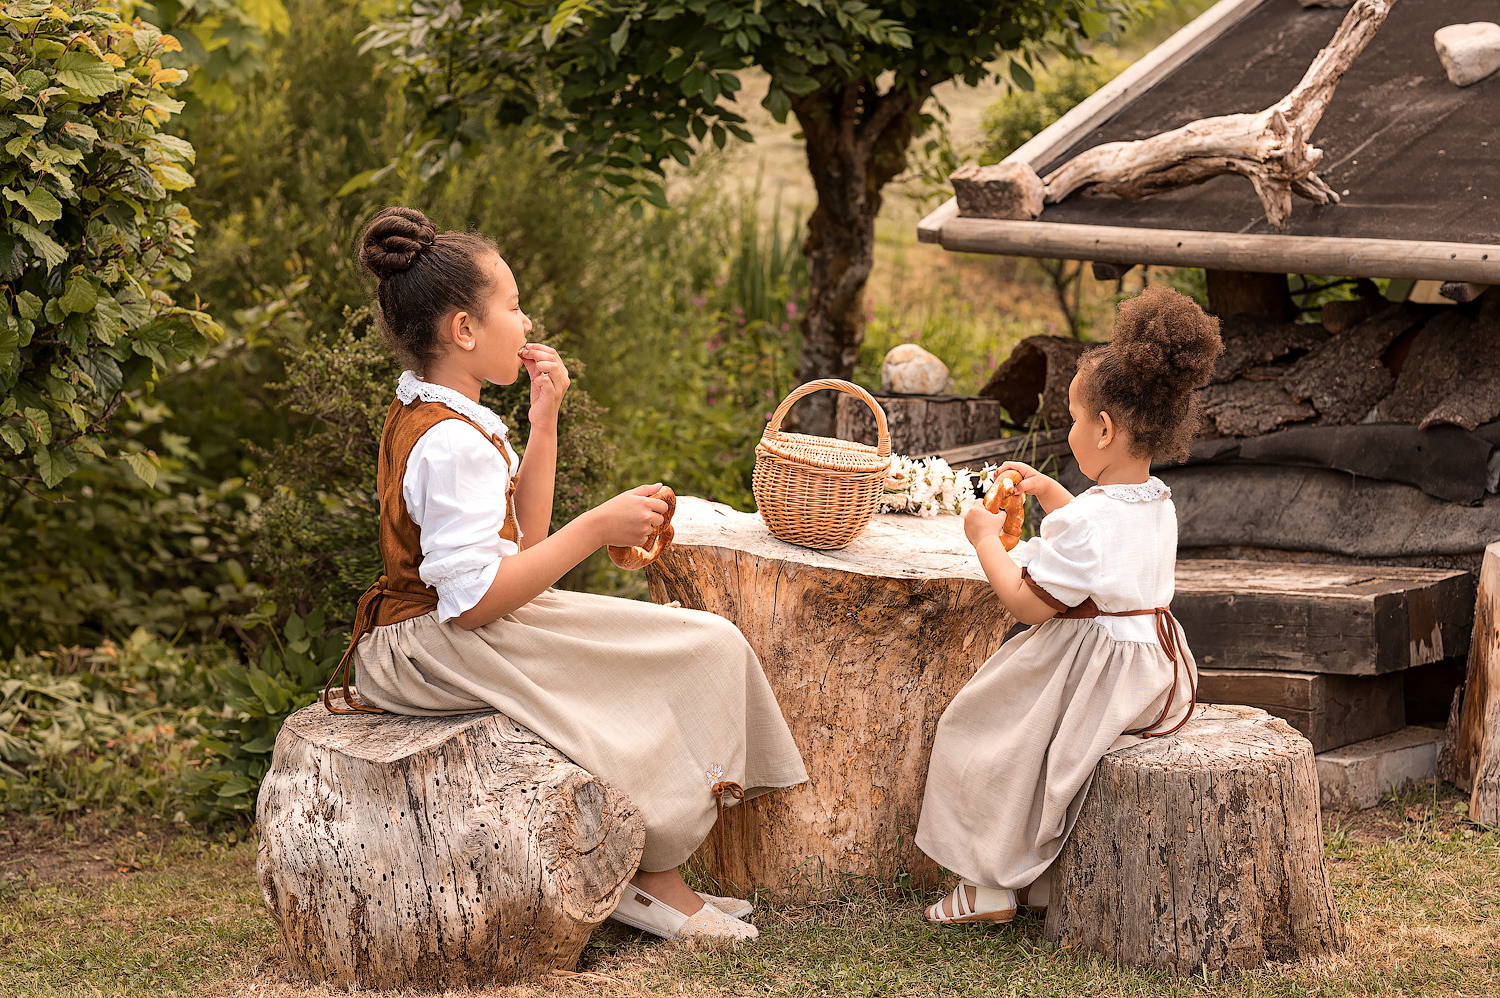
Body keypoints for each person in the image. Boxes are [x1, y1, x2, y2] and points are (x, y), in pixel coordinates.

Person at [331, 206, 808, 942]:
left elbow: (524, 539)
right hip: (431, 643)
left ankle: (654, 869)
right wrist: (597, 530)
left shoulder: (448, 415)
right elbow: (476, 599)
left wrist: (543, 422)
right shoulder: (447, 441)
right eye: (513, 308)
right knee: (620, 694)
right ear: (464, 330)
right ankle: (649, 878)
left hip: (460, 624)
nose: (526, 324)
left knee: (703, 642)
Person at [916, 285, 1223, 924]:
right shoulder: (1157, 501)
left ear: (1104, 429)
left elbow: (1027, 605)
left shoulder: (1086, 525)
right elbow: (1105, 554)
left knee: (982, 727)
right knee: (1032, 748)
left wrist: (984, 543)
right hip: (1151, 667)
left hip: (1089, 670)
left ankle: (992, 881)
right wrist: (1059, 496)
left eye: (1075, 420)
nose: (1070, 431)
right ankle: (1041, 879)